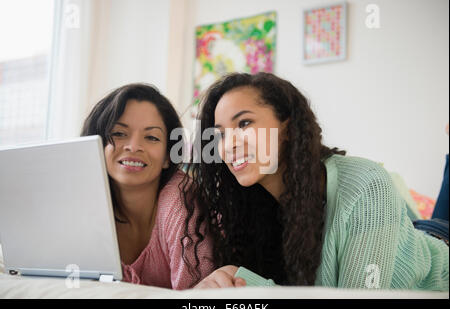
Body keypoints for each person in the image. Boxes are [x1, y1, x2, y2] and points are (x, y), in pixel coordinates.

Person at [181, 72, 449, 290]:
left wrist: (245, 282)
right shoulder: (250, 205)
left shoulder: (366, 183)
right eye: (220, 135)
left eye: (244, 124)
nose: (229, 146)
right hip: (406, 232)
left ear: (286, 127)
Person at [81, 83, 214, 289]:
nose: (133, 146)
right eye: (119, 133)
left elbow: (194, 300)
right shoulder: (85, 201)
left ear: (167, 157)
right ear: (98, 144)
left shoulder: (180, 201)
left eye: (151, 137)